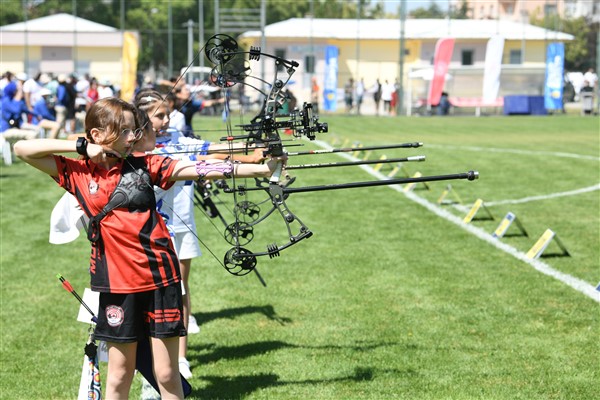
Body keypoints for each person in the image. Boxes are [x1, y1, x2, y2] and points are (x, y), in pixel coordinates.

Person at [13, 97, 281, 399]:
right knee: (118, 375)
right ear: (98, 134)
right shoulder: (78, 172)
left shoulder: (147, 164)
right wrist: (81, 146)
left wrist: (260, 170)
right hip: (117, 286)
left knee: (167, 374)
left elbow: (198, 167)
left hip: (160, 280)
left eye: (134, 131)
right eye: (125, 130)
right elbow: (22, 149)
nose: (133, 137)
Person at [135, 89, 265, 381]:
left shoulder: (180, 140)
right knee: (151, 297)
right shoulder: (135, 147)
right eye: (160, 115)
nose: (167, 119)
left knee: (180, 288)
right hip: (149, 232)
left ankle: (180, 358)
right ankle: (149, 355)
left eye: (168, 113)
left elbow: (215, 151)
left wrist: (255, 153)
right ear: (142, 118)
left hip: (181, 226)